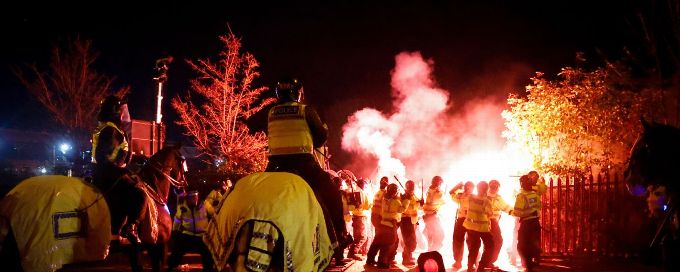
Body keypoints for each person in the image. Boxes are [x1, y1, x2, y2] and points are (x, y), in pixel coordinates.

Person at [264, 77, 350, 251]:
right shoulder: (305, 111)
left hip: (275, 166)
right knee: (332, 194)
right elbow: (320, 138)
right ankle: (340, 236)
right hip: (302, 163)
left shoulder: (271, 112)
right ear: (298, 93)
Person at [91, 94, 146, 244]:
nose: (125, 114)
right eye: (122, 110)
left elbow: (118, 155)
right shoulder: (111, 131)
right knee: (139, 194)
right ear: (116, 111)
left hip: (107, 172)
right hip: (108, 175)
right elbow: (103, 158)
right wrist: (123, 171)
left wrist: (139, 159)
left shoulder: (110, 128)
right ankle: (131, 227)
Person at [366, 184, 410, 269]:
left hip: (382, 223)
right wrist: (406, 200)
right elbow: (402, 209)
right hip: (391, 225)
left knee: (377, 242)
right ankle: (382, 263)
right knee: (387, 244)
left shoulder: (384, 199)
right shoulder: (395, 201)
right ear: (395, 192)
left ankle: (370, 259)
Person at [168, 191, 214, 271]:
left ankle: (208, 269)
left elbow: (213, 213)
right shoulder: (182, 206)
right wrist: (175, 231)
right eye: (192, 197)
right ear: (188, 198)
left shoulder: (204, 204)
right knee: (177, 251)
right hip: (187, 234)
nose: (194, 199)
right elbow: (177, 219)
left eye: (196, 196)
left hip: (202, 236)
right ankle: (171, 267)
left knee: (208, 254)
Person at [509, 174, 546, 272]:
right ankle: (533, 260)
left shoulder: (521, 196)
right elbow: (538, 207)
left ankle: (527, 264)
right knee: (534, 242)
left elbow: (517, 212)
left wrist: (510, 212)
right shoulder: (535, 194)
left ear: (521, 184)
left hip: (526, 223)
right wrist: (542, 182)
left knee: (522, 245)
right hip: (535, 222)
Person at [464, 181, 495, 272]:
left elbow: (463, 202)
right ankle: (481, 267)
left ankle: (470, 267)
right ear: (486, 189)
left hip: (471, 227)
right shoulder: (486, 201)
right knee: (490, 246)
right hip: (482, 228)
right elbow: (490, 213)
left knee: (474, 247)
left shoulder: (470, 197)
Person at [449, 181, 474, 270]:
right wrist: (458, 185)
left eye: (471, 187)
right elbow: (451, 193)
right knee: (457, 240)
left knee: (472, 242)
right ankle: (458, 261)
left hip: (471, 220)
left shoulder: (475, 197)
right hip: (461, 219)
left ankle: (472, 262)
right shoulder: (460, 195)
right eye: (467, 186)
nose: (469, 188)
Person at [488, 179, 512, 268]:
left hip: (492, 222)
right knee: (496, 241)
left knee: (492, 242)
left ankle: (487, 261)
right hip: (489, 222)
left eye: (495, 186)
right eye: (493, 186)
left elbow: (506, 207)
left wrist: (516, 212)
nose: (494, 188)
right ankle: (488, 261)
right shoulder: (487, 196)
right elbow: (506, 208)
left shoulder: (498, 198)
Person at [347, 178, 372, 261]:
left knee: (357, 236)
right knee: (362, 237)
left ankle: (352, 253)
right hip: (360, 217)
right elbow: (366, 205)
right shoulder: (361, 192)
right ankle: (353, 253)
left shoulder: (353, 190)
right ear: (362, 184)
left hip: (355, 216)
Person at [400, 180, 422, 266]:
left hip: (412, 220)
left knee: (410, 240)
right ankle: (406, 259)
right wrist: (418, 204)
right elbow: (408, 208)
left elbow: (417, 207)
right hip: (406, 220)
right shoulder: (404, 196)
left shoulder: (413, 196)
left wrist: (421, 203)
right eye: (410, 187)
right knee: (410, 242)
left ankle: (409, 256)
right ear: (407, 187)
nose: (412, 189)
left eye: (413, 187)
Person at [422, 176, 446, 251]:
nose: (440, 185)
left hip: (429, 215)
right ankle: (432, 249)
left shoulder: (429, 190)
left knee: (431, 234)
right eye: (440, 183)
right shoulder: (437, 192)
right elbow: (441, 201)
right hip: (431, 216)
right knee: (439, 234)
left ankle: (431, 250)